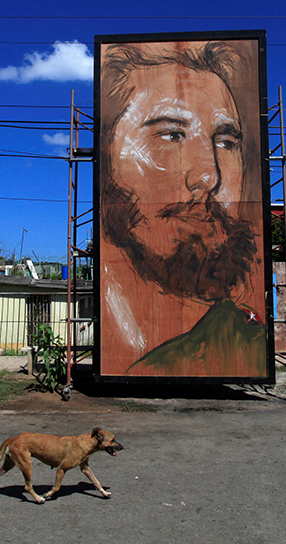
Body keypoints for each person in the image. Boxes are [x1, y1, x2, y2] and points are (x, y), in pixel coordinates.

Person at [98, 39, 267, 377]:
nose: (209, 175)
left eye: (226, 142)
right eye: (171, 135)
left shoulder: (248, 343)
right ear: (105, 156)